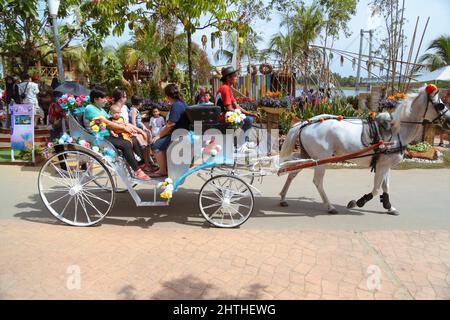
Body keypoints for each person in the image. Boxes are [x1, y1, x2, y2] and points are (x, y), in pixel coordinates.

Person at [84, 88, 150, 181]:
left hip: (109, 135)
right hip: (99, 137)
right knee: (126, 143)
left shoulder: (101, 110)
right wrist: (123, 128)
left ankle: (141, 164)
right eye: (103, 98)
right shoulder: (90, 109)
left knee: (133, 139)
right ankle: (137, 171)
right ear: (95, 99)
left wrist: (133, 129)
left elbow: (114, 121)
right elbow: (107, 123)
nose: (106, 100)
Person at [150, 83, 190, 177]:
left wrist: (159, 136)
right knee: (160, 142)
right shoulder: (181, 103)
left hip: (178, 135)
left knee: (155, 145)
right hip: (181, 133)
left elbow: (170, 124)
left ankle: (163, 170)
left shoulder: (176, 105)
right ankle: (166, 167)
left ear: (167, 96)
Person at [215, 66, 255, 138]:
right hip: (222, 119)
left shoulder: (228, 88)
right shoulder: (225, 88)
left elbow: (237, 106)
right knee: (248, 120)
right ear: (228, 78)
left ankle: (242, 141)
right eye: (235, 76)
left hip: (226, 116)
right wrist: (242, 114)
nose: (237, 78)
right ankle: (242, 143)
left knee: (249, 118)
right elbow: (229, 108)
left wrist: (250, 113)